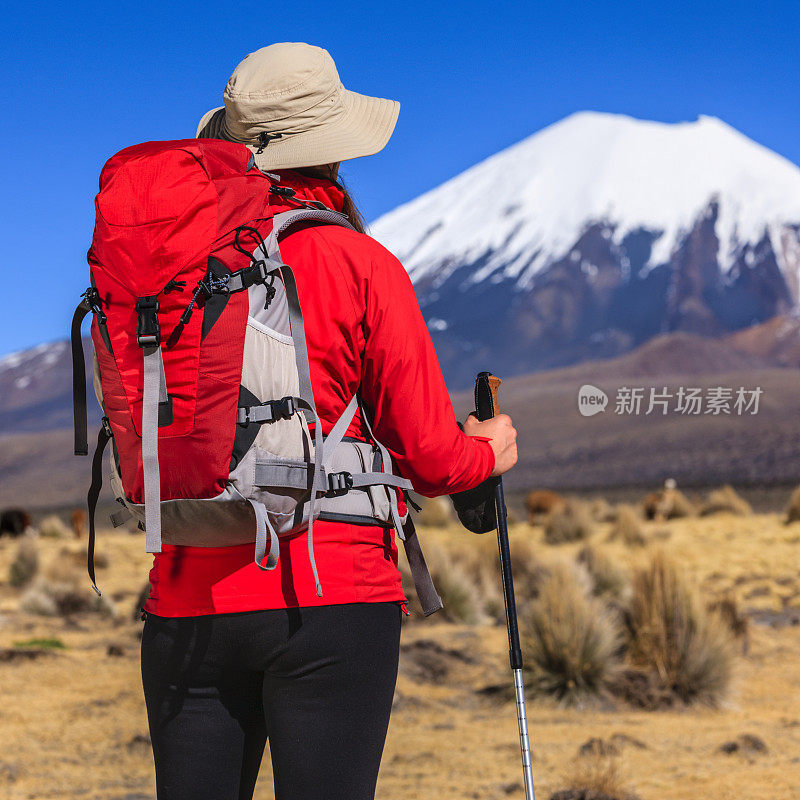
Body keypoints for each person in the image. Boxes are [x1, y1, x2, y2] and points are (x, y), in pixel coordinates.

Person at [140, 42, 518, 800]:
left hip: (183, 595)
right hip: (330, 594)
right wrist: (490, 454)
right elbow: (432, 460)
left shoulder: (168, 272)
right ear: (333, 154)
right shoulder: (358, 262)